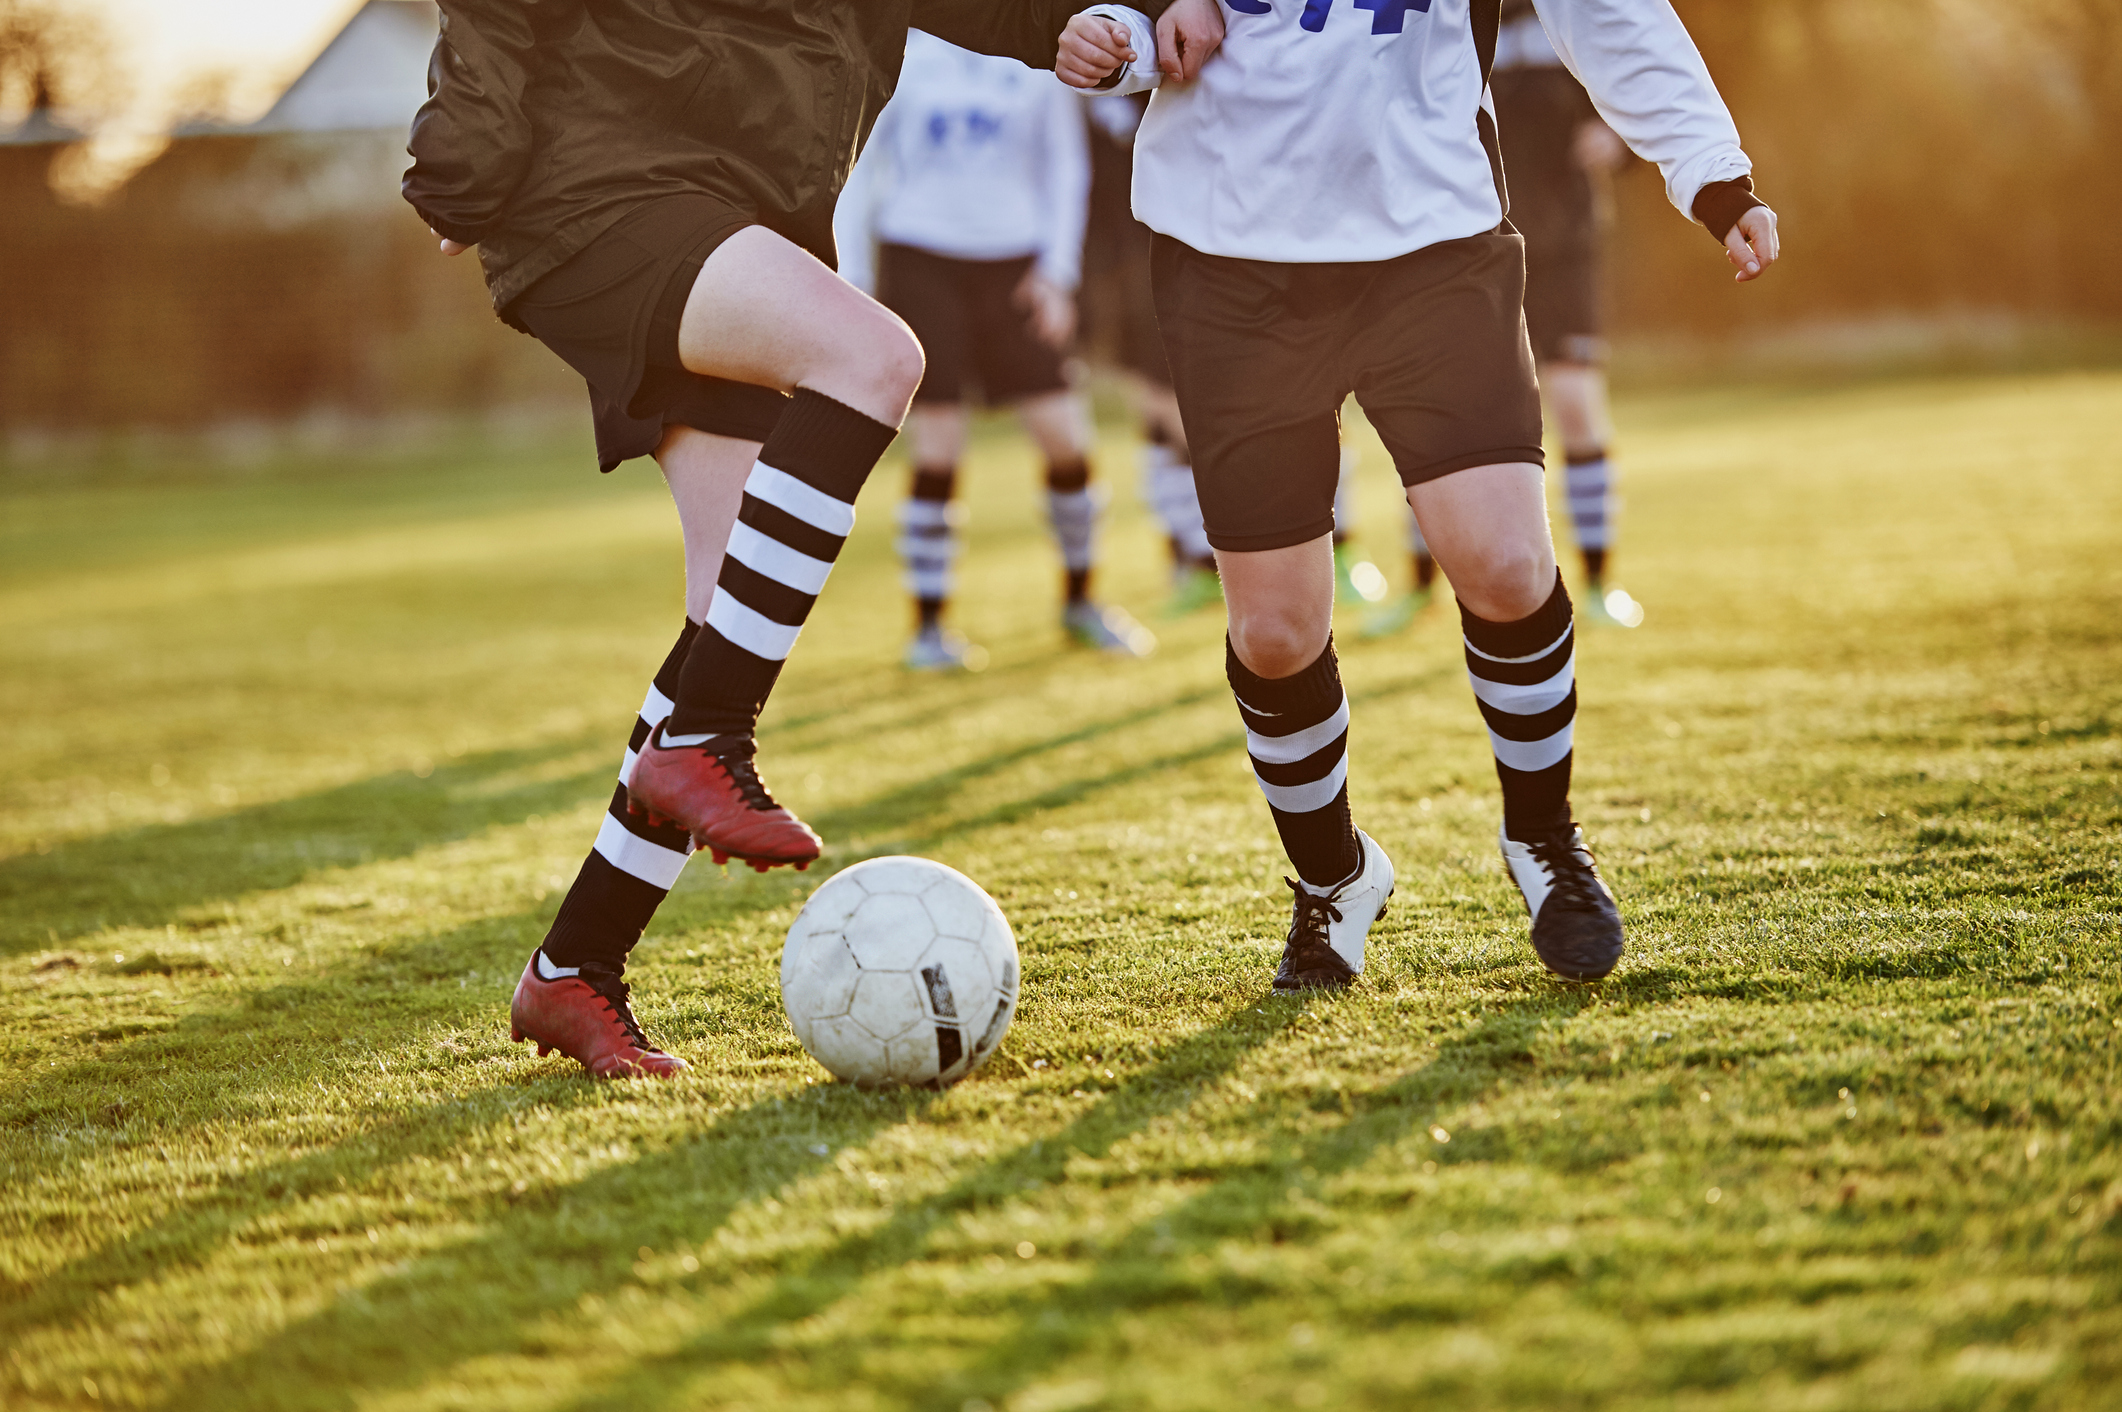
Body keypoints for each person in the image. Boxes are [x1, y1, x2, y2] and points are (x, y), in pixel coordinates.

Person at [401, 0, 1182, 1077]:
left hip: (730, 212)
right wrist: (458, 162)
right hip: (602, 192)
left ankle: (576, 970)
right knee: (871, 357)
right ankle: (705, 738)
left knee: (727, 608)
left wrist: (1077, 23)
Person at [1074, 0, 1779, 988]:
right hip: (1230, 254)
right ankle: (1334, 878)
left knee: (1502, 562)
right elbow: (1122, 26)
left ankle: (1543, 838)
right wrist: (1116, 27)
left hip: (1432, 240)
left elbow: (1609, 12)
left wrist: (1711, 173)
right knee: (1274, 632)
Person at [834, 31, 1154, 670]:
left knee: (1067, 440)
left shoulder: (1031, 45)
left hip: (1016, 265)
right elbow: (859, 165)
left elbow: (1066, 165)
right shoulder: (901, 48)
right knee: (938, 445)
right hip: (919, 262)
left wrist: (1058, 274)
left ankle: (1082, 601)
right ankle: (929, 628)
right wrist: (856, 285)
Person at [1491, 0, 1643, 627]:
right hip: (1477, 246)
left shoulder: (1576, 15)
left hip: (1568, 247)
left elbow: (1640, 95)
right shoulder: (1446, 16)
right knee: (1458, 415)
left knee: (1576, 403)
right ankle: (1422, 583)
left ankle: (1600, 581)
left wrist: (1617, 139)